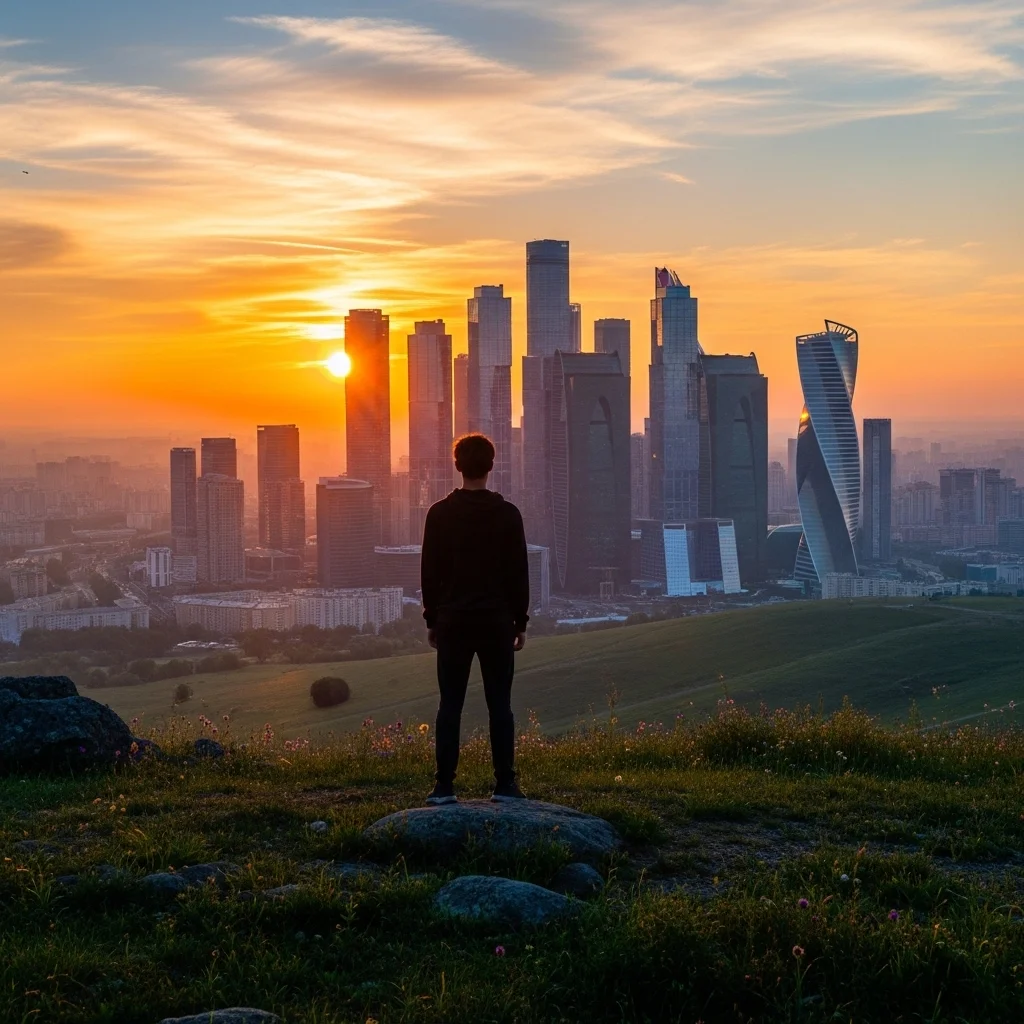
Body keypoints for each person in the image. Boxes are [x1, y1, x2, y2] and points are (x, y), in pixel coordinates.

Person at [420, 433, 529, 804]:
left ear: (457, 466)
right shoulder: (508, 514)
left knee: (450, 704)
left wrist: (432, 619)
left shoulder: (439, 514)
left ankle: (444, 786)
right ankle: (505, 784)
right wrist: (521, 622)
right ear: (491, 466)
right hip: (496, 621)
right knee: (501, 704)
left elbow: (429, 572)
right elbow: (519, 572)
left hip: (453, 622)